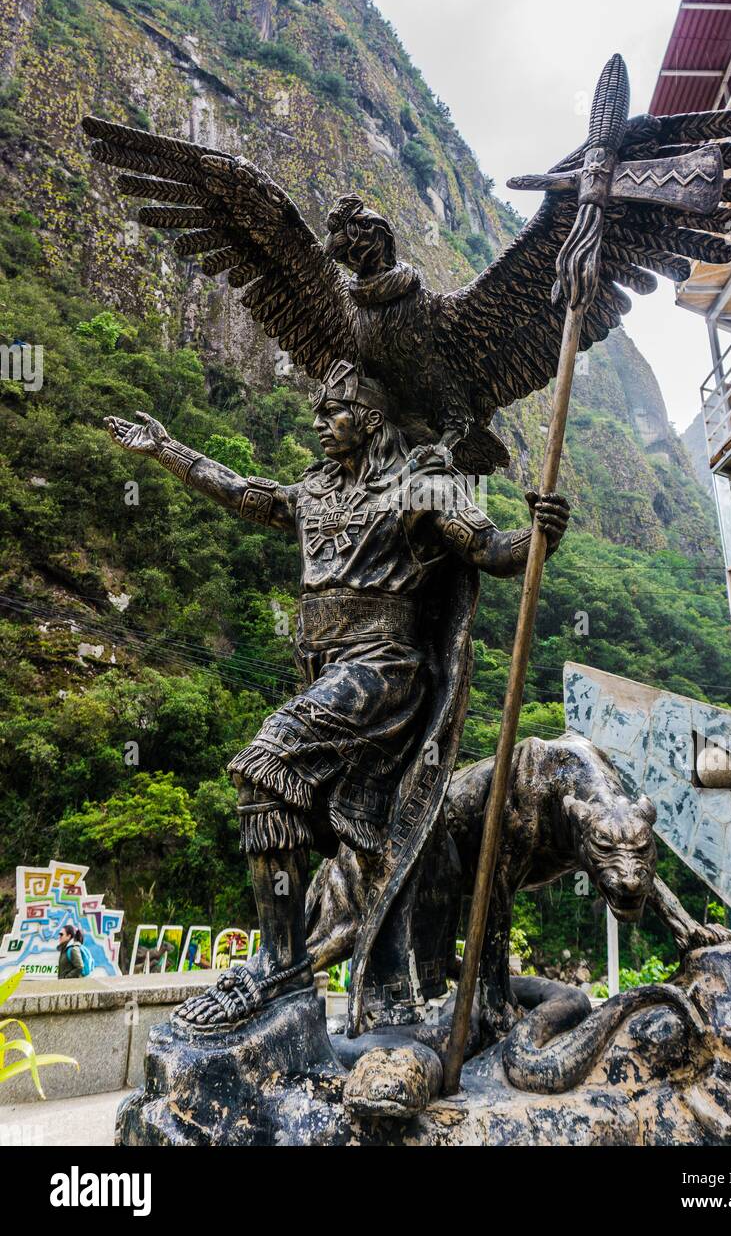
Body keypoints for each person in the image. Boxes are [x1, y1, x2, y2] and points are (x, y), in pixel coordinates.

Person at [104, 359, 570, 1030]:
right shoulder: (315, 490)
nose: (320, 423)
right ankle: (386, 998)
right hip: (326, 669)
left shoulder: (422, 485)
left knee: (265, 770)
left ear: (371, 418)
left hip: (384, 669)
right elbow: (245, 493)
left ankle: (285, 969)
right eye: (318, 412)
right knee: (374, 840)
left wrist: (541, 536)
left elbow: (491, 549)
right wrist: (166, 450)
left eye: (334, 412)